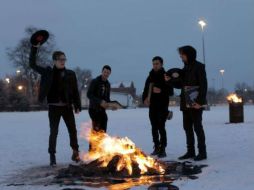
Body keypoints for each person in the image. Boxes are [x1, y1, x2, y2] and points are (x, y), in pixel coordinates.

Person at [29, 44, 81, 166]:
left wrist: (77, 105)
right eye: (60, 59)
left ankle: (75, 152)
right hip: (53, 108)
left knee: (73, 130)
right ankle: (52, 155)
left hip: (67, 107)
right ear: (55, 61)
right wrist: (34, 48)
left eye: (64, 59)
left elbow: (74, 91)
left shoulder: (70, 74)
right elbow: (32, 65)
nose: (63, 61)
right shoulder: (48, 72)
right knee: (54, 131)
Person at [165, 45, 207, 161]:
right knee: (187, 128)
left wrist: (200, 102)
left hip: (195, 103)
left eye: (182, 54)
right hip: (185, 103)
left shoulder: (199, 67)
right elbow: (180, 85)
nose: (181, 57)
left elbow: (203, 85)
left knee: (197, 127)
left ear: (189, 54)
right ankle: (190, 151)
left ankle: (202, 152)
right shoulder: (184, 68)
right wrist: (170, 81)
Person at [142, 56, 174, 158]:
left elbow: (171, 92)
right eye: (153, 64)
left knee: (161, 127)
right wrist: (144, 99)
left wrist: (161, 91)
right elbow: (145, 90)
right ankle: (156, 147)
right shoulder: (150, 76)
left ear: (161, 64)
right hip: (152, 106)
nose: (155, 66)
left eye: (157, 64)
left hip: (163, 105)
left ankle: (163, 149)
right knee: (154, 127)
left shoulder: (166, 76)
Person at [87, 65, 111, 135]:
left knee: (103, 129)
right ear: (102, 72)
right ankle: (92, 146)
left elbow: (107, 98)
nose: (106, 74)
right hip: (93, 109)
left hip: (102, 110)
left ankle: (101, 145)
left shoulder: (108, 84)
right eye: (105, 72)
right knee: (96, 130)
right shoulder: (95, 81)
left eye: (108, 73)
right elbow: (89, 94)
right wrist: (99, 101)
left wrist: (111, 105)